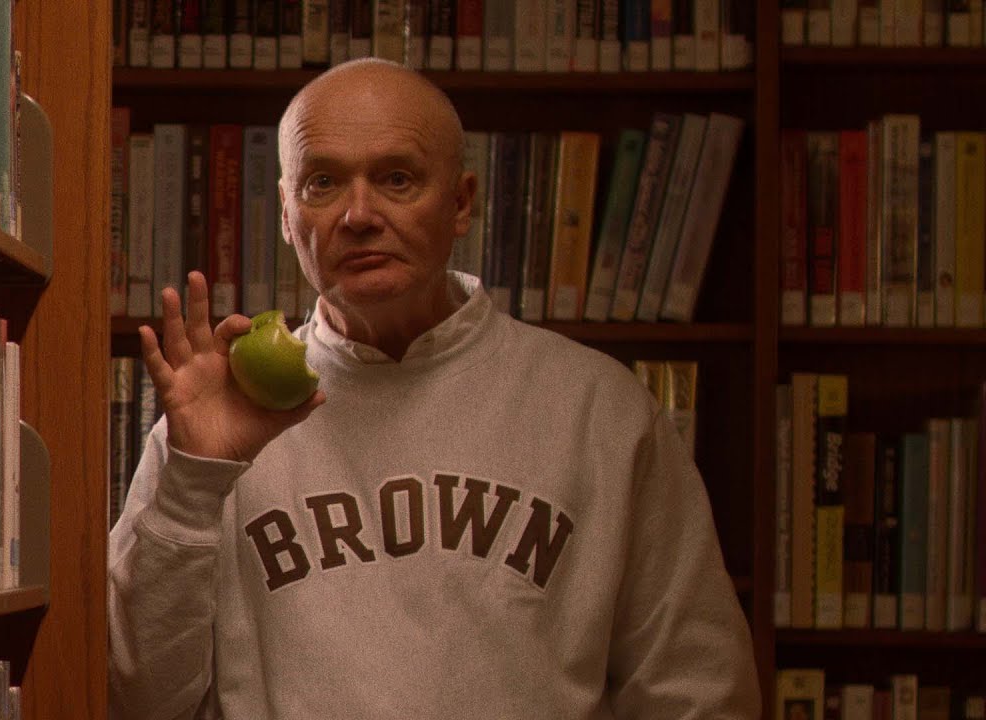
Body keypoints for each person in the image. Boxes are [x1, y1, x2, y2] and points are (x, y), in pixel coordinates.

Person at [108, 58, 760, 720]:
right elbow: (139, 701)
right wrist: (193, 480)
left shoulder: (599, 411)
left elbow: (698, 694)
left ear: (462, 203)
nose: (359, 214)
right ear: (285, 213)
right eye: (322, 183)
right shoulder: (215, 425)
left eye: (397, 178)